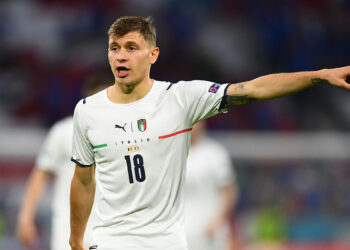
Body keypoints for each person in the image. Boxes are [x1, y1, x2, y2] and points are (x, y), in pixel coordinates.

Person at [69, 16, 350, 250]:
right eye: (114, 48)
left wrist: (318, 74)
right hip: (111, 241)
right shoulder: (87, 111)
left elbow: (253, 89)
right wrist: (76, 239)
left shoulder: (180, 98)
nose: (121, 56)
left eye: (131, 47)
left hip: (165, 243)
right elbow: (83, 181)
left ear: (153, 54)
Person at [16, 74, 111, 250]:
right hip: (68, 232)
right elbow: (41, 172)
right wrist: (26, 216)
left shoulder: (122, 135)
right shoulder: (63, 131)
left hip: (109, 231)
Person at [185, 120, 238, 250]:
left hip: (210, 233)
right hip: (183, 233)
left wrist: (218, 221)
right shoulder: (174, 154)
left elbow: (229, 190)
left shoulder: (215, 153)